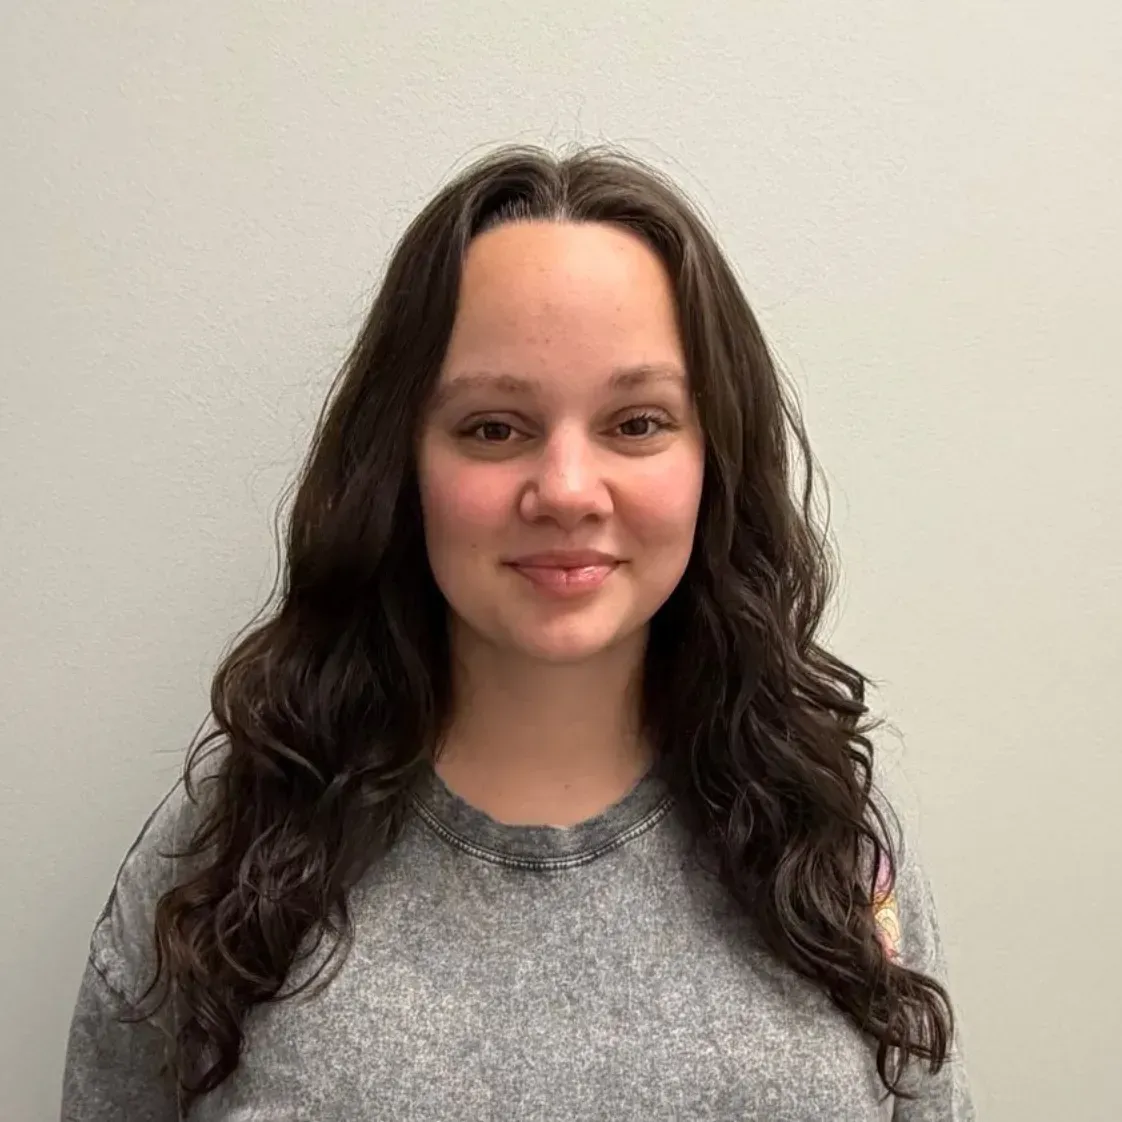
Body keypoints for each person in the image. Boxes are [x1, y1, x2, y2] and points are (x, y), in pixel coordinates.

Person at [60, 144, 975, 1121]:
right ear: (401, 466)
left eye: (636, 423)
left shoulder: (826, 834)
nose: (569, 491)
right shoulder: (228, 846)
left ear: (717, 457)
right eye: (495, 427)